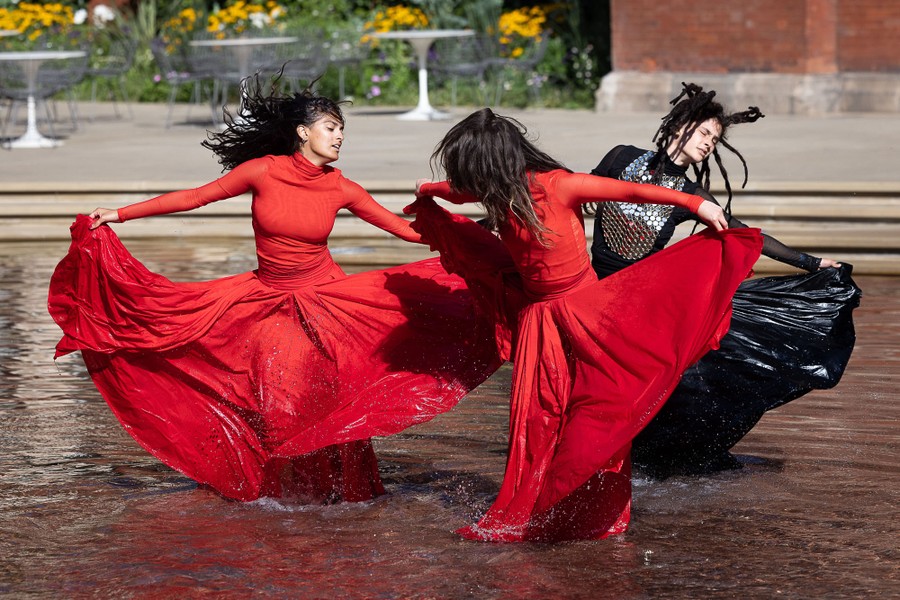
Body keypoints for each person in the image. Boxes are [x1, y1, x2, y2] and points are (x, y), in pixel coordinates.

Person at [48, 79, 501, 504]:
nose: (339, 136)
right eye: (330, 128)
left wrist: (468, 233)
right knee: (271, 398)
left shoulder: (342, 186)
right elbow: (194, 198)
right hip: (266, 300)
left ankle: (335, 492)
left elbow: (404, 232)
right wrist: (121, 214)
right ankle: (280, 491)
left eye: (342, 129)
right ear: (304, 132)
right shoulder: (262, 171)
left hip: (325, 304)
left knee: (319, 399)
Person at [406, 107, 763, 542]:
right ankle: (541, 502)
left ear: (494, 162)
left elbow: (631, 192)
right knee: (539, 418)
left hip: (587, 314)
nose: (474, 183)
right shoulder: (499, 191)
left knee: (595, 410)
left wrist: (696, 203)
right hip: (540, 322)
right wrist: (428, 188)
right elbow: (459, 192)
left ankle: (589, 507)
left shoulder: (562, 185)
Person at [589, 83, 862, 475]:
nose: (708, 145)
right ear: (681, 124)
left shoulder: (690, 192)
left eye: (714, 140)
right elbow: (572, 194)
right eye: (704, 133)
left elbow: (743, 234)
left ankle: (647, 454)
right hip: (588, 292)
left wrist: (810, 262)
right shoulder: (620, 157)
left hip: (635, 304)